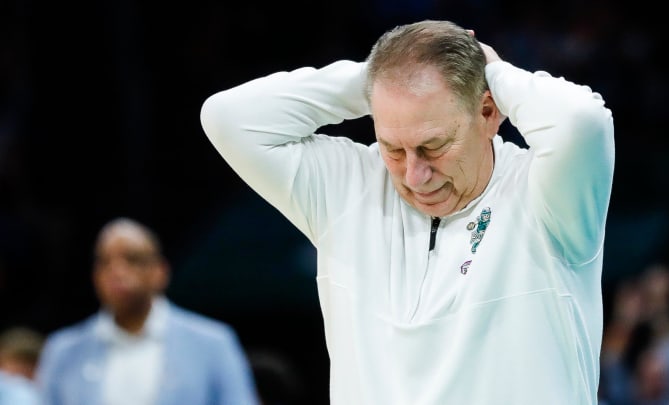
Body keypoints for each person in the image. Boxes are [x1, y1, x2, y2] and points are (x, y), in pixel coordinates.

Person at [200, 19, 615, 404]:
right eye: (393, 149)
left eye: (434, 147)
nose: (414, 175)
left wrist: (493, 70)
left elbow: (580, 120)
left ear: (488, 113)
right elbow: (227, 117)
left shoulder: (546, 195)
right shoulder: (345, 188)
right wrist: (388, 75)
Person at [35, 217, 261, 405]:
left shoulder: (213, 342)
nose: (117, 271)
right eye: (105, 262)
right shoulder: (63, 350)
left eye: (132, 260)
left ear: (159, 272)